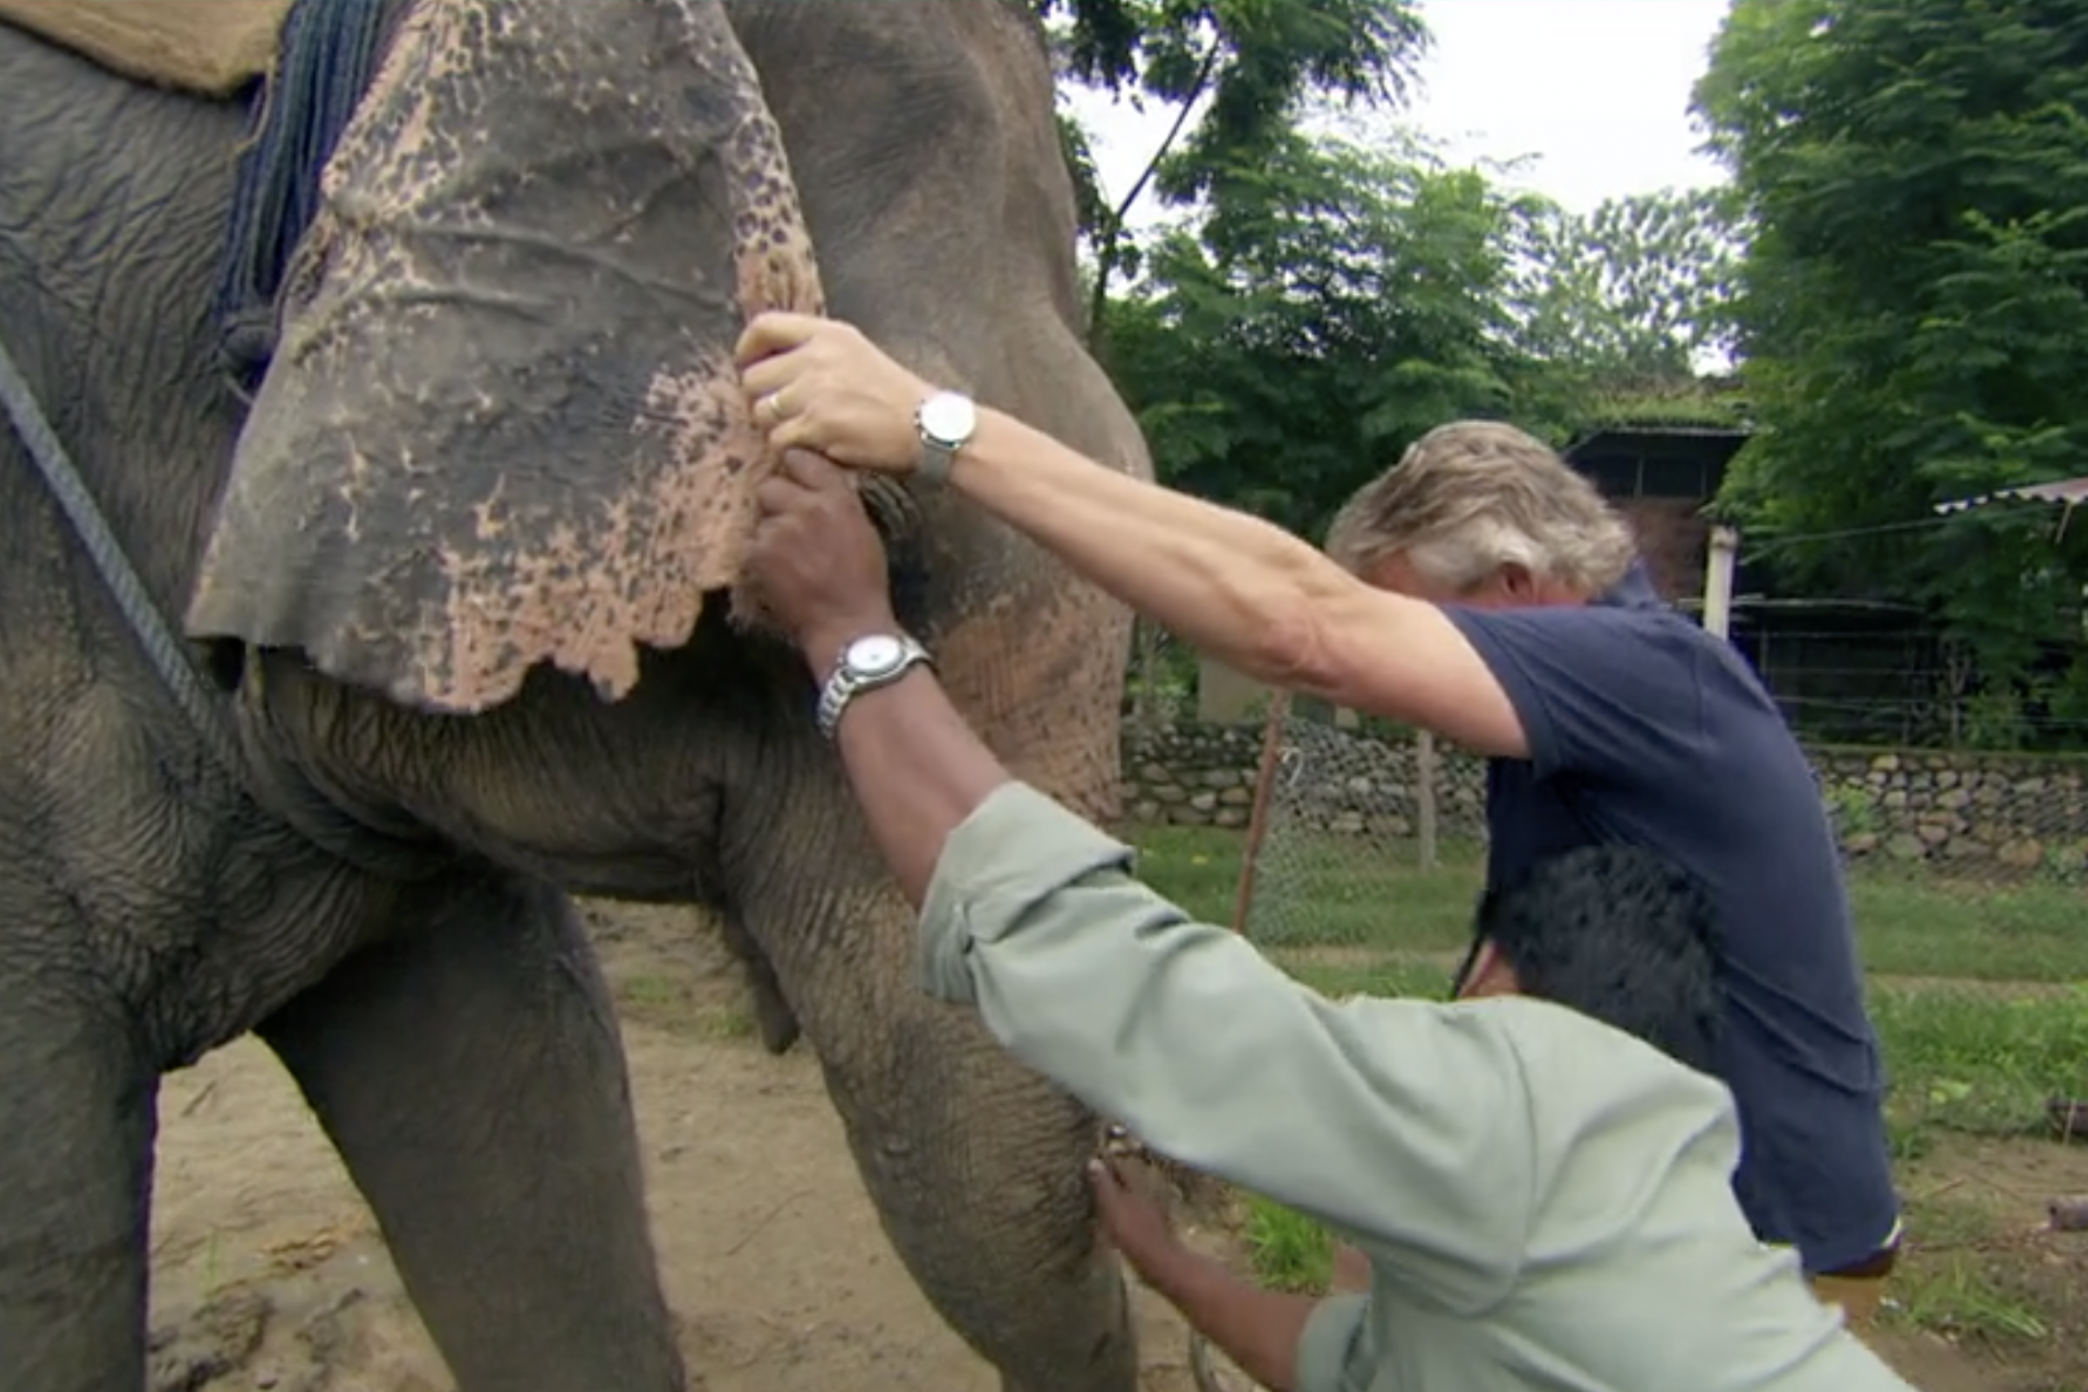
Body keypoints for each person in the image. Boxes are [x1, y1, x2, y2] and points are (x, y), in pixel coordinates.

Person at [732, 312, 1904, 1319]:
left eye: (1419, 624)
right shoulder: (1599, 734)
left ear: (1510, 592)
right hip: (1688, 1223)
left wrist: (934, 429)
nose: (1407, 693)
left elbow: (1304, 630)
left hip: (1749, 1262)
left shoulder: (1650, 675)